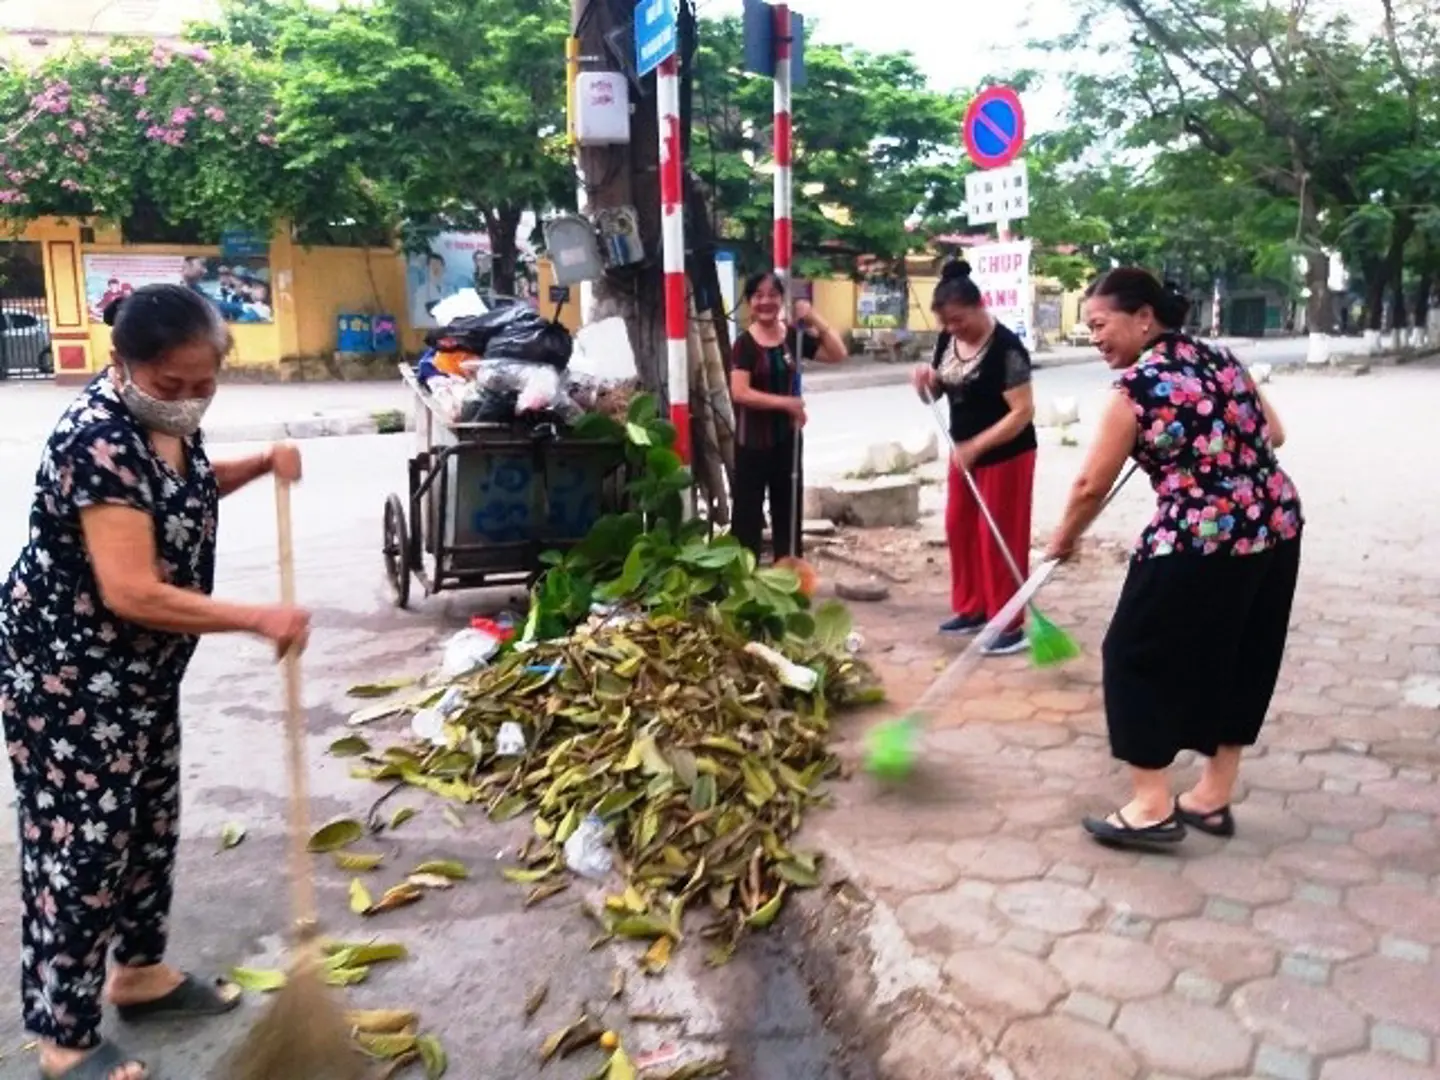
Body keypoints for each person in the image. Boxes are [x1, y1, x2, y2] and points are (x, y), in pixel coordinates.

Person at [1, 284, 312, 1080]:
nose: (185, 401)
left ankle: (138, 974)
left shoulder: (165, 430)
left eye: (202, 385)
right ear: (124, 364)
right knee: (83, 846)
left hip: (139, 675)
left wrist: (259, 463)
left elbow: (180, 495)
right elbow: (130, 590)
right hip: (70, 678)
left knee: (145, 825)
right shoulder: (97, 439)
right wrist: (256, 618)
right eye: (168, 386)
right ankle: (64, 1034)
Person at [1045, 268, 1303, 849]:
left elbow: (1089, 486)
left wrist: (1064, 539)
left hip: (1201, 536)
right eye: (1089, 328)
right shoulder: (1221, 359)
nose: (1095, 337)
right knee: (1242, 652)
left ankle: (1151, 805)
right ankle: (1211, 799)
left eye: (1100, 324)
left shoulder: (1133, 389)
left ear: (1144, 317)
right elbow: (1276, 435)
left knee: (1132, 654)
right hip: (1276, 520)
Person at [911, 260, 1037, 656]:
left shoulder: (1007, 349)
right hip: (964, 452)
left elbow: (1023, 412)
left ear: (979, 306)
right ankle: (973, 608)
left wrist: (977, 446)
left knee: (997, 537)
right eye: (946, 323)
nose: (953, 329)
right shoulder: (947, 341)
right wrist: (925, 385)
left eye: (959, 320)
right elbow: (937, 394)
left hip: (1006, 453)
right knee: (959, 528)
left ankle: (1009, 623)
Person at [729, 272, 846, 562]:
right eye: (758, 295)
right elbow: (740, 392)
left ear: (782, 299)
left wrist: (813, 317)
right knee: (747, 513)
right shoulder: (744, 345)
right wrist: (787, 404)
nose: (766, 301)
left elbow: (837, 354)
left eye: (772, 294)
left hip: (788, 441)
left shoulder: (792, 337)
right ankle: (744, 580)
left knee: (788, 510)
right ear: (749, 302)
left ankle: (789, 577)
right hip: (752, 443)